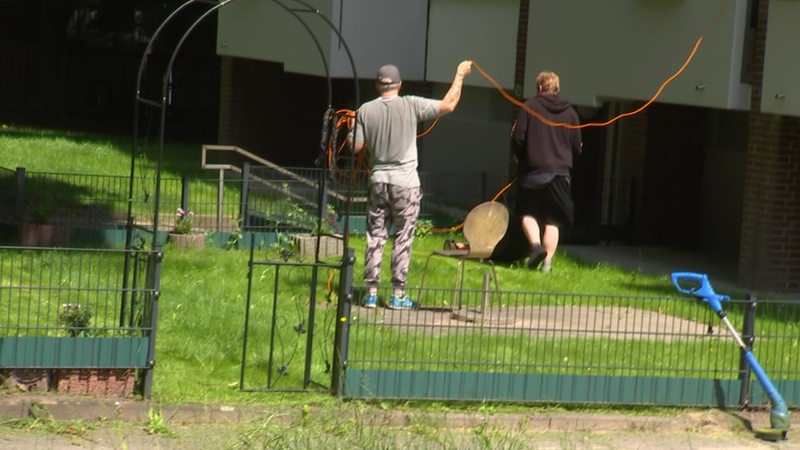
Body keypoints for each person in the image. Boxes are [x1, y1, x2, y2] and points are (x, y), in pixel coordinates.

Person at [349, 60, 473, 309]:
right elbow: (449, 104)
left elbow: (355, 147)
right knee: (403, 236)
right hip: (406, 183)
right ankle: (398, 295)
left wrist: (353, 126)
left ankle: (371, 293)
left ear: (377, 85)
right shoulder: (411, 104)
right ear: (399, 85)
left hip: (378, 180)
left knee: (375, 235)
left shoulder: (364, 110)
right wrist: (459, 75)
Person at [511, 71, 582, 273]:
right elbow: (578, 147)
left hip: (533, 173)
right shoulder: (571, 113)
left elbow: (518, 139)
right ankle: (547, 264)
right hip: (560, 174)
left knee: (527, 213)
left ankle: (535, 247)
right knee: (554, 220)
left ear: (540, 88)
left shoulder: (529, 107)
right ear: (557, 89)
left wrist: (521, 156)